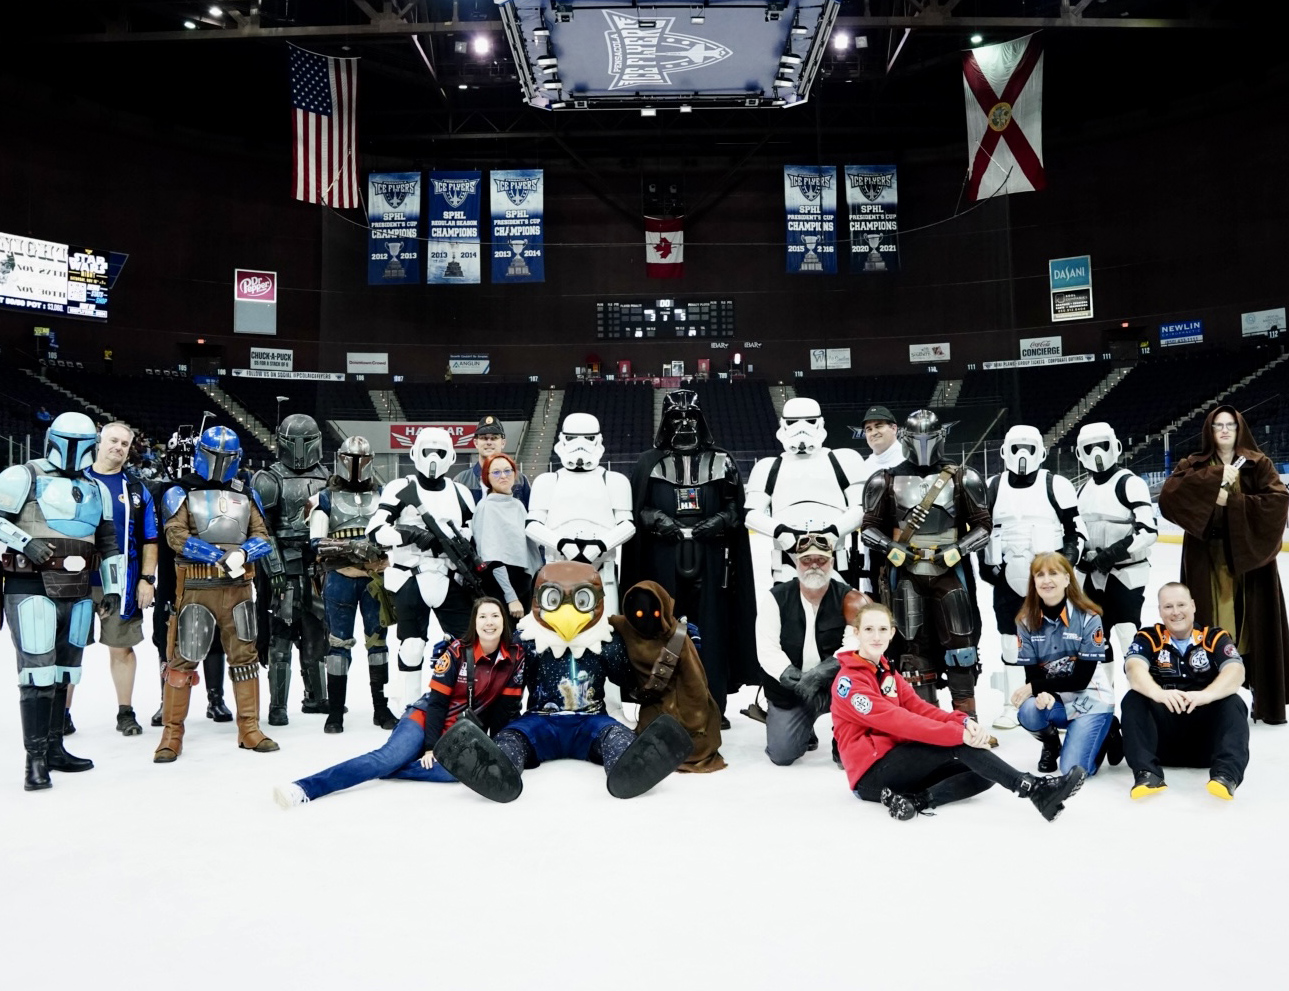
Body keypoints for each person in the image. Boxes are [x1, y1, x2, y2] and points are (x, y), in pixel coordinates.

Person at [432, 562, 692, 802]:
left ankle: (632, 768)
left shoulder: (605, 642)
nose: (567, 611)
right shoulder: (528, 642)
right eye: (554, 599)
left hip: (591, 720)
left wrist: (664, 647)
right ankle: (496, 771)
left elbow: (627, 679)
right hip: (540, 720)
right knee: (513, 738)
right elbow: (499, 668)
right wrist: (460, 653)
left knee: (616, 736)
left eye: (581, 599)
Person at [833, 601, 1087, 821]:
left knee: (985, 770)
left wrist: (963, 721)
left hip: (898, 765)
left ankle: (916, 801)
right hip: (870, 775)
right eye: (868, 629)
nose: (876, 636)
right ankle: (1034, 789)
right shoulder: (849, 682)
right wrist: (956, 734)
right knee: (958, 744)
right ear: (856, 632)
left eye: (882, 629)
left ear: (892, 633)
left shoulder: (886, 671)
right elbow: (898, 721)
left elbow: (921, 709)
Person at [272, 597, 526, 807]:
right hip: (424, 720)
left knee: (453, 773)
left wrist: (496, 749)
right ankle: (304, 788)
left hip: (459, 734)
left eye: (495, 616)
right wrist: (431, 748)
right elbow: (437, 704)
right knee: (385, 759)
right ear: (474, 622)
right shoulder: (458, 651)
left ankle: (395, 765)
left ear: (504, 621)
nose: (489, 622)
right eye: (483, 616)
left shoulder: (515, 656)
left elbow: (504, 710)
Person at [1, 412, 126, 790]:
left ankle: (55, 749)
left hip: (79, 590)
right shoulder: (22, 476)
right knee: (37, 674)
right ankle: (35, 761)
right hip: (30, 587)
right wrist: (25, 543)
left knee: (65, 674)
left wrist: (114, 587)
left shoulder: (97, 489)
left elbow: (108, 543)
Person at [623, 390, 760, 721]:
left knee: (713, 632)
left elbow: (736, 508)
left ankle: (711, 706)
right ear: (665, 423)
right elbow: (637, 510)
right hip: (662, 559)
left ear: (702, 421)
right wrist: (656, 520)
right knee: (663, 629)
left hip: (712, 561)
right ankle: (665, 704)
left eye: (691, 417)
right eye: (676, 418)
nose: (684, 424)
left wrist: (720, 521)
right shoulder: (648, 463)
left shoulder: (723, 461)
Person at [1158, 404, 1289, 724]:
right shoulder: (1195, 464)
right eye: (1218, 425)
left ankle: (1260, 695)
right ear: (1210, 430)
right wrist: (1213, 481)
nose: (1225, 430)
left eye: (1231, 424)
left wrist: (1231, 501)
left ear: (1240, 428)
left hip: (1250, 561)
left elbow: (1277, 502)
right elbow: (1170, 498)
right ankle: (1210, 695)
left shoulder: (1259, 464)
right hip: (1206, 559)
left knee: (1253, 625)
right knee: (1210, 623)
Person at [156, 425, 280, 762]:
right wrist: (218, 555)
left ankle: (249, 728)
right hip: (196, 588)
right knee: (182, 661)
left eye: (227, 457)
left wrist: (243, 553)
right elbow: (175, 536)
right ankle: (172, 733)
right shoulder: (180, 491)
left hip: (238, 589)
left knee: (245, 659)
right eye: (215, 456)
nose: (220, 463)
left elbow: (262, 536)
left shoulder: (245, 493)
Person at [861, 409, 992, 721]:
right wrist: (893, 549)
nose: (923, 445)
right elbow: (868, 529)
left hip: (949, 572)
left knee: (961, 648)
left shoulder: (963, 477)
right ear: (906, 438)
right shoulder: (884, 479)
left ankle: (966, 721)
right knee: (912, 649)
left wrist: (956, 550)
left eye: (929, 438)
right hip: (906, 573)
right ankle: (924, 721)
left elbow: (983, 527)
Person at [980, 424, 1086, 730]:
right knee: (1009, 641)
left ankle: (1060, 700)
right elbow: (980, 532)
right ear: (1005, 452)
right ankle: (1012, 704)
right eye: (1017, 448)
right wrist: (988, 569)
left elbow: (1076, 531)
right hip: (1006, 579)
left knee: (1059, 642)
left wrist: (1062, 568)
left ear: (1041, 451)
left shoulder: (1056, 485)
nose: (1023, 455)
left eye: (1029, 447)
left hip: (1049, 580)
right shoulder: (993, 486)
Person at [368, 426, 476, 705]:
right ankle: (411, 707)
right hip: (410, 576)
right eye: (428, 451)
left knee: (466, 645)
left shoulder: (461, 492)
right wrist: (412, 534)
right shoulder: (400, 487)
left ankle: (460, 705)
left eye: (440, 451)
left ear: (451, 456)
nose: (433, 458)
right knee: (412, 647)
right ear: (415, 452)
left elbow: (473, 535)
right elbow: (375, 531)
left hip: (451, 576)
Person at [1121, 582, 1250, 800]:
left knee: (1234, 702)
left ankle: (1225, 776)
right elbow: (1133, 669)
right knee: (1133, 698)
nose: (1175, 612)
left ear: (1193, 606)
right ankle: (1147, 774)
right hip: (1161, 744)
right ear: (1160, 611)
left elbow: (1236, 671)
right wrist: (1159, 694)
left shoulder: (1214, 637)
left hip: (1206, 746)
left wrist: (1206, 695)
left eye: (1181, 605)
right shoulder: (1148, 637)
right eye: (1168, 606)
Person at [72, 421, 158, 737]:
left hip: (122, 581)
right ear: (99, 442)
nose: (118, 447)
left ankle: (125, 712)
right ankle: (61, 714)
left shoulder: (136, 489)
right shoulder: (74, 480)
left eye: (124, 444)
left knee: (121, 648)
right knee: (70, 648)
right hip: (77, 579)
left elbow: (150, 539)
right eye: (113, 441)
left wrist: (147, 579)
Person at [306, 435, 396, 734]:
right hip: (340, 578)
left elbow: (393, 536)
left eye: (363, 459)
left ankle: (381, 708)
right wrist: (353, 547)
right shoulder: (324, 498)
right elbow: (317, 542)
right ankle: (335, 713)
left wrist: (381, 554)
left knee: (378, 644)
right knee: (338, 645)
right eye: (351, 459)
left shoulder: (384, 495)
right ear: (341, 459)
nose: (357, 465)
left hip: (374, 580)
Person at [754, 532, 866, 766]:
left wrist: (819, 674)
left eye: (821, 560)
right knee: (782, 754)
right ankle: (804, 725)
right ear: (796, 563)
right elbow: (767, 648)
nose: (814, 565)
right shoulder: (775, 598)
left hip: (836, 686)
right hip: (791, 690)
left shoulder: (850, 598)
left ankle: (843, 736)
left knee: (860, 680)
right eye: (806, 560)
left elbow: (855, 645)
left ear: (831, 563)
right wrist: (795, 678)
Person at [254, 413, 332, 725]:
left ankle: (316, 697)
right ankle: (278, 705)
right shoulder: (269, 479)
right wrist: (274, 567)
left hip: (316, 565)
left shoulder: (327, 478)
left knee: (315, 632)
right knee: (281, 636)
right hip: (283, 566)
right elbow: (262, 530)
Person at [1009, 552, 1114, 777]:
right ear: (1033, 582)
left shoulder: (1089, 618)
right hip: (1059, 700)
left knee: (1073, 770)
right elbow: (1033, 675)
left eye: (1053, 573)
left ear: (1067, 579)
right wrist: (1042, 695)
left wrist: (1035, 687)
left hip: (1090, 701)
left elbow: (1080, 680)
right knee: (1029, 710)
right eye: (1040, 575)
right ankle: (1051, 745)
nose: (1046, 580)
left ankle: (1108, 730)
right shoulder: (1025, 622)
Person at [745, 396, 866, 588]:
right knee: (788, 604)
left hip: (835, 556)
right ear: (783, 424)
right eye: (793, 422)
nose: (801, 429)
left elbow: (861, 507)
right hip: (787, 559)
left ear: (820, 422)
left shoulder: (844, 460)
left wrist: (832, 534)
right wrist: (783, 534)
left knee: (838, 604)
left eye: (809, 421)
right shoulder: (768, 467)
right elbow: (750, 514)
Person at [1074, 421, 1158, 686]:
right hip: (1092, 576)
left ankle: (1140, 691)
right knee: (1097, 639)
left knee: (1127, 632)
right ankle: (1104, 699)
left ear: (1115, 447)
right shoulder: (1082, 490)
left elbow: (1148, 531)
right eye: (1089, 447)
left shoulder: (1130, 483)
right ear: (1080, 453)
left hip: (1125, 573)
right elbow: (1076, 533)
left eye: (1102, 445)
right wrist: (1080, 559)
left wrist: (1111, 554)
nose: (1097, 453)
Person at [526, 413, 635, 616]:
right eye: (572, 438)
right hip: (557, 569)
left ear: (598, 439)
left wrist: (599, 546)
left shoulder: (614, 480)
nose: (580, 444)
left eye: (588, 438)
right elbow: (532, 525)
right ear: (562, 439)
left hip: (603, 570)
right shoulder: (547, 481)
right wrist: (562, 544)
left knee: (605, 625)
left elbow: (627, 525)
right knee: (555, 625)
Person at [472, 452, 542, 619]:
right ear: (487, 477)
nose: (503, 476)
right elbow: (491, 559)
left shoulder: (518, 505)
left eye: (507, 470)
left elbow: (530, 550)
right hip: (502, 586)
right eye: (496, 472)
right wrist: (511, 597)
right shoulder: (486, 507)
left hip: (524, 583)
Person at [454, 415, 532, 507]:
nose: (489, 442)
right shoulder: (461, 480)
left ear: (503, 443)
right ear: (476, 443)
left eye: (494, 438)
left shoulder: (520, 480)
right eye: (483, 438)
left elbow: (529, 512)